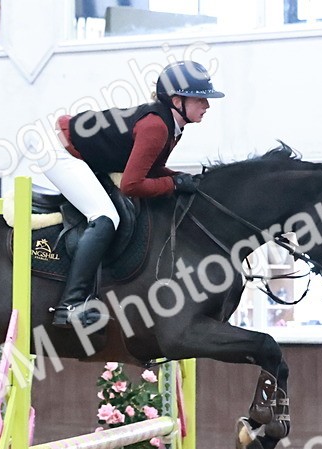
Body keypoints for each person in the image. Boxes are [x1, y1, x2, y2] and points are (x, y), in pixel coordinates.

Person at [40, 60, 223, 328]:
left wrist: (181, 178)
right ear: (176, 100)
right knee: (104, 217)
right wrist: (174, 185)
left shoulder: (173, 126)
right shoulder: (157, 126)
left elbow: (153, 167)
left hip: (83, 153)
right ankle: (70, 305)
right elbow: (132, 185)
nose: (207, 106)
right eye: (201, 99)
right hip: (57, 150)